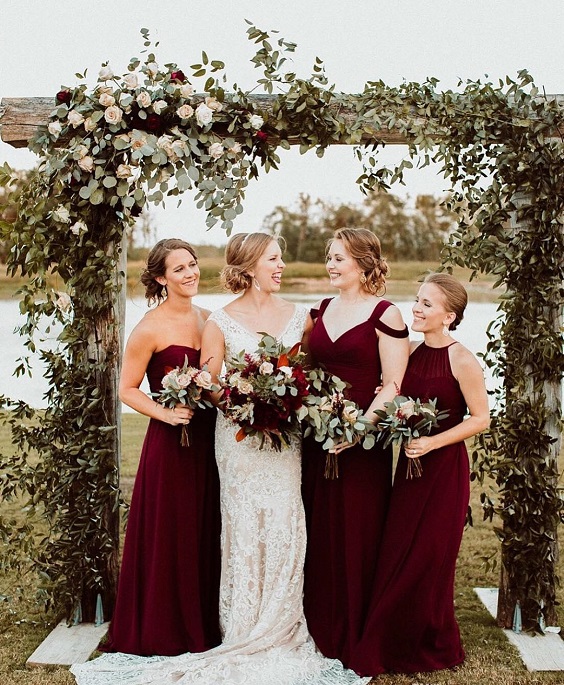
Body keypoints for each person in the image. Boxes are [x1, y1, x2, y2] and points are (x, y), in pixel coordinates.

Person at [71, 232, 369, 685]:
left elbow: (310, 371)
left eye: (194, 264)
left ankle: (283, 622)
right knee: (241, 525)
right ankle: (241, 624)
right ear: (250, 267)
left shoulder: (292, 318)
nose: (281, 264)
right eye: (274, 258)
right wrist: (248, 397)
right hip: (236, 440)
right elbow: (210, 384)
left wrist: (294, 401)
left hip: (284, 442)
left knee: (287, 520)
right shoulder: (215, 322)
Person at [350, 272, 491, 676]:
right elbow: (386, 390)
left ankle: (430, 641)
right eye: (417, 300)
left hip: (443, 469)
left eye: (427, 304)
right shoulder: (407, 351)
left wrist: (432, 442)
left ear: (449, 316)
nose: (416, 308)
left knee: (430, 557)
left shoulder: (462, 358)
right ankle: (390, 637)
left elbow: (480, 419)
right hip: (408, 470)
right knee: (398, 551)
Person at [96, 238, 222, 657]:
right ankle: (165, 627)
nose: (190, 274)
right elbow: (127, 390)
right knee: (174, 532)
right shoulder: (149, 327)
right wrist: (166, 415)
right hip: (171, 444)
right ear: (160, 278)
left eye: (193, 264)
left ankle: (205, 622)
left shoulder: (209, 319)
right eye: (179, 269)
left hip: (209, 440)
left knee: (207, 529)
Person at [301, 227, 410, 669]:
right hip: (316, 439)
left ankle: (354, 626)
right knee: (315, 527)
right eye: (328, 256)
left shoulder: (387, 314)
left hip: (362, 444)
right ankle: (313, 623)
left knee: (357, 531)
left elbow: (394, 383)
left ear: (364, 263)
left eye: (339, 258)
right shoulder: (320, 309)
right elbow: (304, 368)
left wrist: (358, 428)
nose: (330, 264)